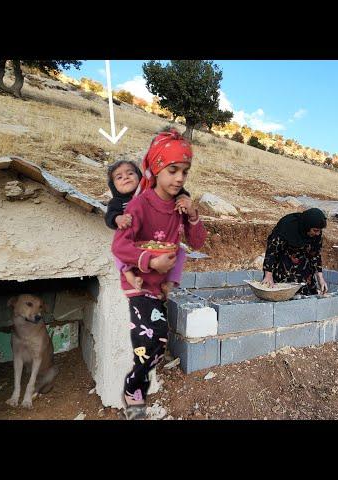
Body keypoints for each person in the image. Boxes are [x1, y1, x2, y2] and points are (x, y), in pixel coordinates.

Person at [112, 129, 207, 419]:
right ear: (155, 168)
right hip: (139, 282)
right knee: (154, 337)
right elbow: (119, 245)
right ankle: (133, 388)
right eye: (173, 170)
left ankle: (138, 383)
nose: (179, 178)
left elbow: (198, 242)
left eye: (185, 172)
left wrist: (192, 216)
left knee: (157, 342)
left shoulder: (180, 207)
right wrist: (149, 262)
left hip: (158, 286)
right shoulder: (140, 204)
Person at [105, 159, 192, 296]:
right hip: (129, 242)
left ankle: (169, 283)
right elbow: (110, 216)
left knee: (179, 251)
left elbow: (174, 189)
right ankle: (131, 278)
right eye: (119, 177)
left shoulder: (149, 195)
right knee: (120, 252)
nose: (126, 178)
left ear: (140, 177)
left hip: (150, 242)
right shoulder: (117, 202)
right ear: (113, 185)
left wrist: (182, 196)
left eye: (130, 173)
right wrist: (118, 218)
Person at [262, 208, 328, 295]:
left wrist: (320, 278)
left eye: (320, 231)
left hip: (303, 267)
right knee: (286, 295)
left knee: (306, 295)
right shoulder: (286, 226)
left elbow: (315, 255)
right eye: (315, 230)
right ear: (307, 226)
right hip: (284, 266)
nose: (318, 234)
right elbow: (272, 251)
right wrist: (268, 275)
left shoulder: (316, 233)